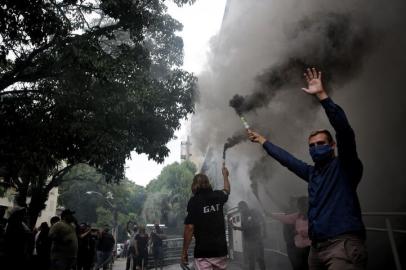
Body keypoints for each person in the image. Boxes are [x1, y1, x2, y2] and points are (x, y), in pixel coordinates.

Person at [248, 68, 367, 270]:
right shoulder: (312, 173)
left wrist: (322, 96)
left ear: (332, 146)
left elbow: (344, 131)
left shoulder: (345, 167)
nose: (315, 148)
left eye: (320, 143)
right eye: (311, 145)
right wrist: (264, 141)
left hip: (343, 246)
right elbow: (288, 160)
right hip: (316, 249)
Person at [181, 163, 231, 270]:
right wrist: (225, 175)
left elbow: (189, 228)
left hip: (203, 253)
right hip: (221, 252)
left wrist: (184, 251)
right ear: (208, 183)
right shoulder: (218, 195)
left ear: (194, 185)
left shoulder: (194, 202)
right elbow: (227, 190)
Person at [271, 196, 310, 270]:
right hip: (290, 242)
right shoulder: (288, 211)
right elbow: (276, 202)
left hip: (299, 243)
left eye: (294, 202)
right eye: (291, 202)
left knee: (303, 264)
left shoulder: (302, 214)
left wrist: (299, 231)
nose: (292, 203)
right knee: (296, 264)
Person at [231, 201, 266, 270]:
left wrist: (237, 228)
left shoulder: (253, 212)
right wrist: (237, 227)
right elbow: (245, 228)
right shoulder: (243, 216)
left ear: (245, 206)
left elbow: (253, 225)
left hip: (256, 240)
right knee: (251, 259)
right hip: (249, 241)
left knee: (259, 258)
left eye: (241, 208)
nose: (240, 210)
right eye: (239, 208)